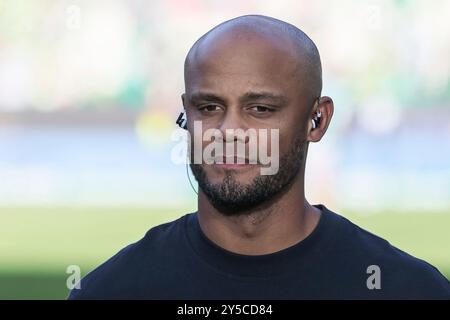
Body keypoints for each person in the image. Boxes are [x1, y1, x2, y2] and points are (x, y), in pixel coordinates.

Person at [69, 15, 450, 299]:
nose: (228, 131)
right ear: (187, 112)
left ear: (317, 120)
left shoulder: (409, 290)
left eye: (261, 109)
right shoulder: (111, 291)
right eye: (210, 106)